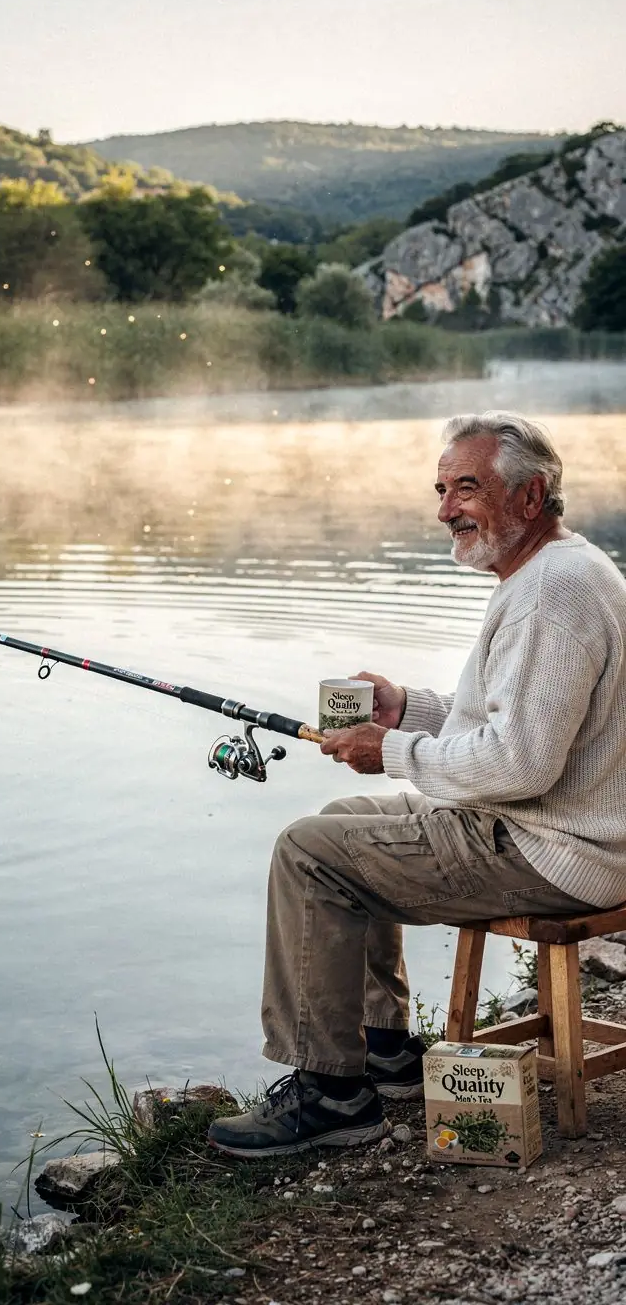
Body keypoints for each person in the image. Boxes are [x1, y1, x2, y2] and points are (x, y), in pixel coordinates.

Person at [208, 411, 626, 1158]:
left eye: (467, 488)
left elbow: (522, 763)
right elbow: (509, 722)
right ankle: (385, 1049)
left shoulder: (549, 595)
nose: (445, 511)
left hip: (551, 848)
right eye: (441, 490)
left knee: (309, 852)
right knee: (340, 819)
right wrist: (411, 709)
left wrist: (393, 750)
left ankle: (333, 1095)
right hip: (563, 830)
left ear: (531, 498)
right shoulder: (557, 571)